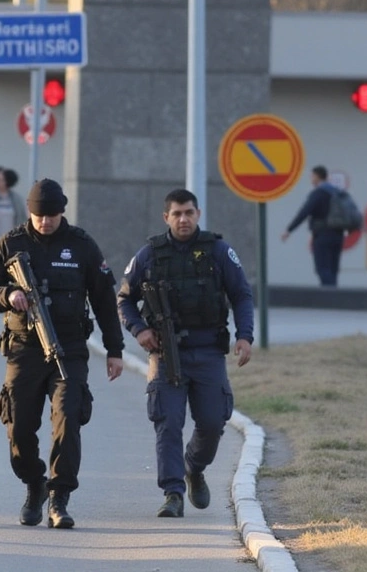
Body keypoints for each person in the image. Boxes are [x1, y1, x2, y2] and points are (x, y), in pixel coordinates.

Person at [0, 178, 125, 529]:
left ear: (62, 212)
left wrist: (115, 349)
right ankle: (34, 484)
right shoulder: (11, 243)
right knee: (19, 427)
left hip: (69, 348)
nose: (45, 222)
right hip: (24, 349)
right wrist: (8, 296)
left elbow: (104, 299)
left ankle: (59, 496)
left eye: (52, 216)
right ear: (29, 211)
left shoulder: (82, 245)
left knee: (68, 418)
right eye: (39, 216)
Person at [115, 188, 254, 518]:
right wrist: (140, 330)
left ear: (198, 214)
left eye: (189, 212)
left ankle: (194, 467)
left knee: (212, 420)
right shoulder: (150, 254)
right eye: (176, 214)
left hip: (208, 351)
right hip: (165, 354)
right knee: (168, 422)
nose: (183, 219)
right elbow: (123, 299)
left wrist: (245, 336)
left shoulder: (217, 251)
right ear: (166, 217)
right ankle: (173, 492)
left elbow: (242, 295)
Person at [280, 165, 344, 286]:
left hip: (322, 236)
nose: (311, 179)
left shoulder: (318, 194)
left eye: (312, 176)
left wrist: (289, 230)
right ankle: (336, 299)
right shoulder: (337, 193)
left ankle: (329, 298)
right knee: (333, 270)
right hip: (338, 235)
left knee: (323, 268)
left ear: (317, 177)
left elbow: (304, 212)